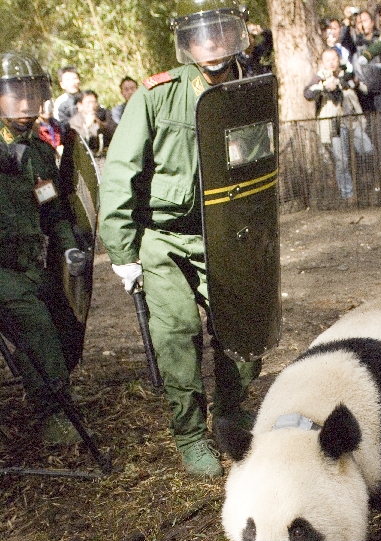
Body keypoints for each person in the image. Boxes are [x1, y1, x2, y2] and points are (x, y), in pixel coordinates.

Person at [99, 0, 262, 478]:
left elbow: (257, 165)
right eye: (200, 36)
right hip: (162, 238)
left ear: (237, 35)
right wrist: (123, 252)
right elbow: (119, 175)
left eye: (221, 33)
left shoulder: (247, 90)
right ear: (186, 43)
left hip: (223, 233)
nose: (212, 46)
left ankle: (231, 409)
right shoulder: (156, 95)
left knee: (246, 323)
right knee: (178, 335)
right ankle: (191, 434)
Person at [0, 52, 85, 446]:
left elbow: (53, 210)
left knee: (68, 328)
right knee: (38, 330)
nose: (24, 103)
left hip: (31, 265)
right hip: (2, 270)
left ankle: (51, 387)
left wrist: (70, 251)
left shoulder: (37, 149)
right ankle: (52, 415)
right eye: (13, 93)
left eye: (32, 93)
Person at [304, 48, 373, 200]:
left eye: (334, 59)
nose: (331, 63)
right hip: (335, 124)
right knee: (342, 160)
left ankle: (367, 185)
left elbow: (365, 89)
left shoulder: (346, 74)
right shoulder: (320, 77)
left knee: (367, 150)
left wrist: (354, 82)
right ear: (322, 62)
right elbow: (307, 93)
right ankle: (347, 194)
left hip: (353, 121)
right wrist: (324, 87)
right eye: (327, 60)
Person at [52, 66, 80, 133]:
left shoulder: (87, 98)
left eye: (74, 78)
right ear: (62, 84)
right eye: (68, 80)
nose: (72, 83)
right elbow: (60, 125)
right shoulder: (60, 102)